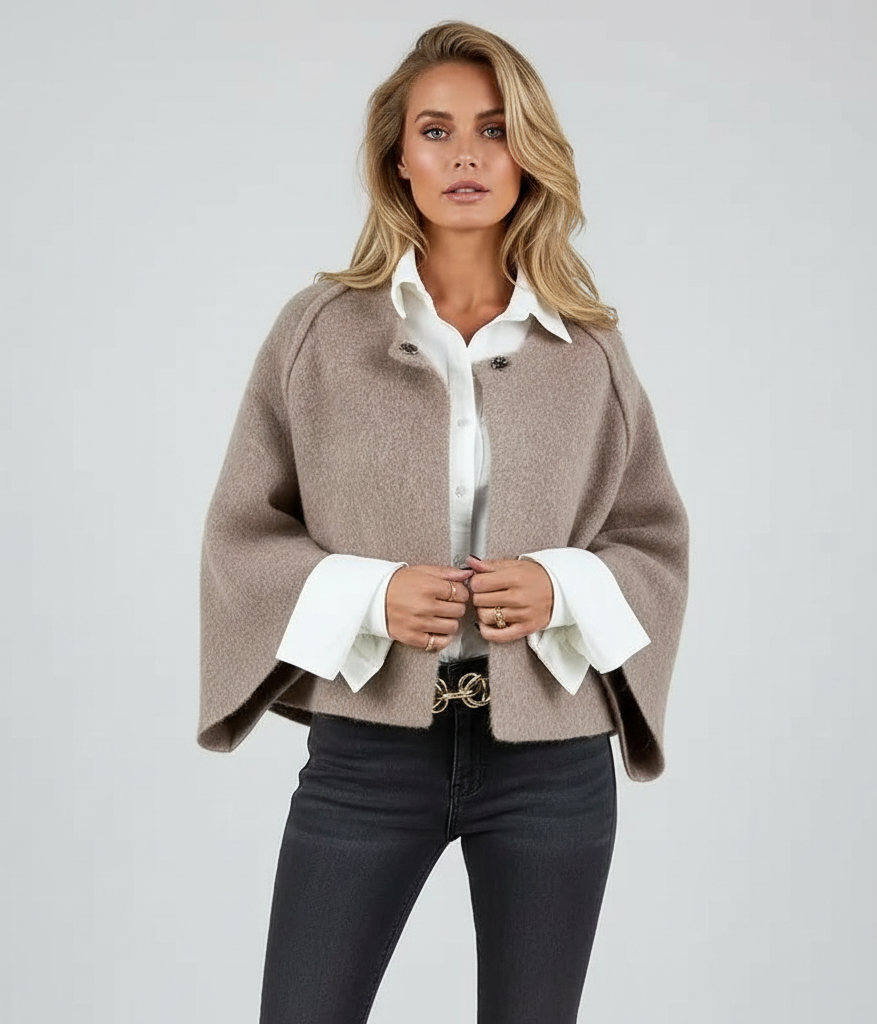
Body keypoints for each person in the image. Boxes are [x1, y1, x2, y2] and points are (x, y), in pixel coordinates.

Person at [197, 19, 689, 1024]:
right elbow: (241, 533)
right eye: (436, 130)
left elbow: (652, 538)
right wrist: (369, 593)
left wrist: (561, 586)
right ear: (398, 159)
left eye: (494, 129)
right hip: (368, 755)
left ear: (528, 155)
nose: (466, 154)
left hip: (552, 761)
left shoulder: (587, 347)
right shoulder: (318, 332)